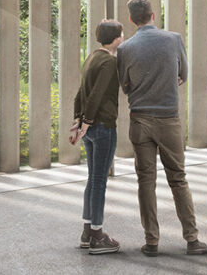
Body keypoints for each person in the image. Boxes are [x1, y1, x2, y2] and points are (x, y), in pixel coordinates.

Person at [118, 0, 207, 256]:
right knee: (178, 178)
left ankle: (151, 242)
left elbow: (125, 85)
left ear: (131, 19)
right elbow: (183, 75)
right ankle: (192, 239)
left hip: (140, 120)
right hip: (169, 119)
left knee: (145, 181)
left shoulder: (125, 49)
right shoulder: (174, 39)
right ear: (153, 15)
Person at [72, 19, 125, 254]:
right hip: (103, 126)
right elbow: (96, 94)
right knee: (99, 181)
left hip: (90, 129)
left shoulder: (92, 57)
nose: (123, 37)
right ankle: (97, 235)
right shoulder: (109, 62)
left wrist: (79, 121)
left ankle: (86, 233)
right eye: (121, 34)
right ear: (116, 38)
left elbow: (80, 93)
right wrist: (87, 121)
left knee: (93, 180)